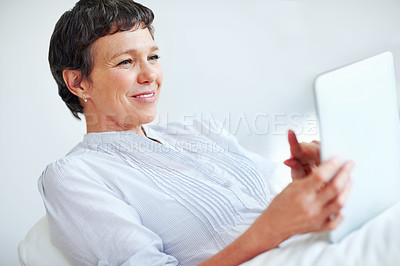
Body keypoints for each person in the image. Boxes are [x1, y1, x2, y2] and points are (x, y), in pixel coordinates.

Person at [39, 0, 354, 265]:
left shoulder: (197, 131)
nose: (150, 74)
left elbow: (274, 201)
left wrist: (309, 184)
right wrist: (272, 230)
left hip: (325, 246)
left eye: (153, 57)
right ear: (78, 83)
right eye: (125, 62)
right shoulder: (75, 174)